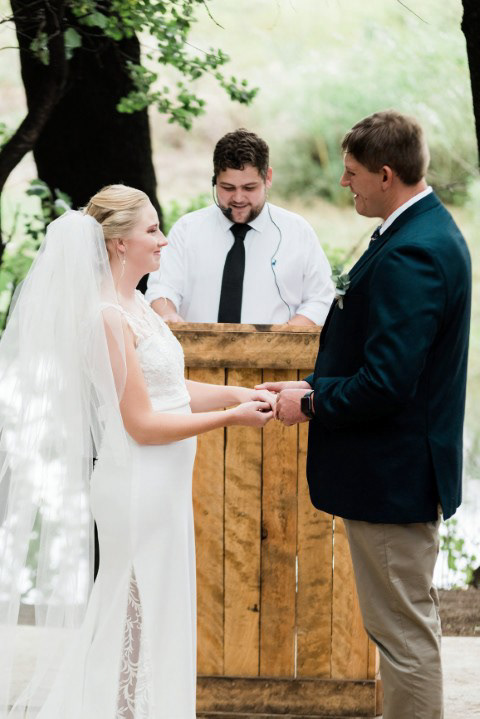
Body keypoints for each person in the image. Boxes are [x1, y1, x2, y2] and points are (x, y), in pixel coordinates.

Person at [0, 184, 275, 718]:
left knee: (153, 611)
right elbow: (143, 424)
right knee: (130, 609)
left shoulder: (139, 304)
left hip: (163, 483)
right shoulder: (106, 317)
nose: (164, 239)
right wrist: (231, 418)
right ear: (119, 243)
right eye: (152, 229)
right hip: (136, 483)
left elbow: (170, 390)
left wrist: (238, 394)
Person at [257, 111, 471, 719]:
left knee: (402, 637)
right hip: (395, 473)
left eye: (352, 173)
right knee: (403, 628)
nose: (344, 183)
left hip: (392, 478)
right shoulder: (417, 230)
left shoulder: (414, 253)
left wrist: (311, 402)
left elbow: (387, 383)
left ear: (385, 174)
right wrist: (311, 383)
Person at [145, 128, 334, 325]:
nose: (238, 198)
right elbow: (162, 288)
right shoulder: (186, 230)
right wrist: (168, 314)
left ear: (268, 178)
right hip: (195, 345)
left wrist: (282, 337)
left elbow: (321, 298)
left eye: (249, 188)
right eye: (228, 188)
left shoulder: (297, 231)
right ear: (215, 180)